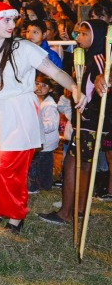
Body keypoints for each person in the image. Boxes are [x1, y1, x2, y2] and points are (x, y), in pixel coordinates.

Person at [0, 2, 85, 233]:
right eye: (7, 21)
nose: (13, 26)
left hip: (19, 112)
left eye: (14, 20)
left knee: (6, 166)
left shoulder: (23, 47)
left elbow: (54, 71)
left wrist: (73, 86)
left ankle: (15, 215)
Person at [38, 19, 110, 225]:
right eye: (78, 33)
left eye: (84, 34)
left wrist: (99, 80)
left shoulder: (98, 59)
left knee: (74, 164)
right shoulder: (88, 57)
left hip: (90, 121)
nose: (78, 38)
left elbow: (102, 78)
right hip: (87, 120)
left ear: (97, 37)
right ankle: (78, 208)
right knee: (83, 165)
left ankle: (66, 212)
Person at [27, 72, 60, 194]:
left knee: (42, 165)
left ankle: (42, 187)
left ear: (50, 89)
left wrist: (35, 127)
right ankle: (35, 185)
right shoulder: (36, 100)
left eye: (44, 85)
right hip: (38, 141)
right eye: (37, 84)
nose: (39, 88)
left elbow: (51, 124)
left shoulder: (49, 105)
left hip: (46, 143)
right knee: (35, 163)